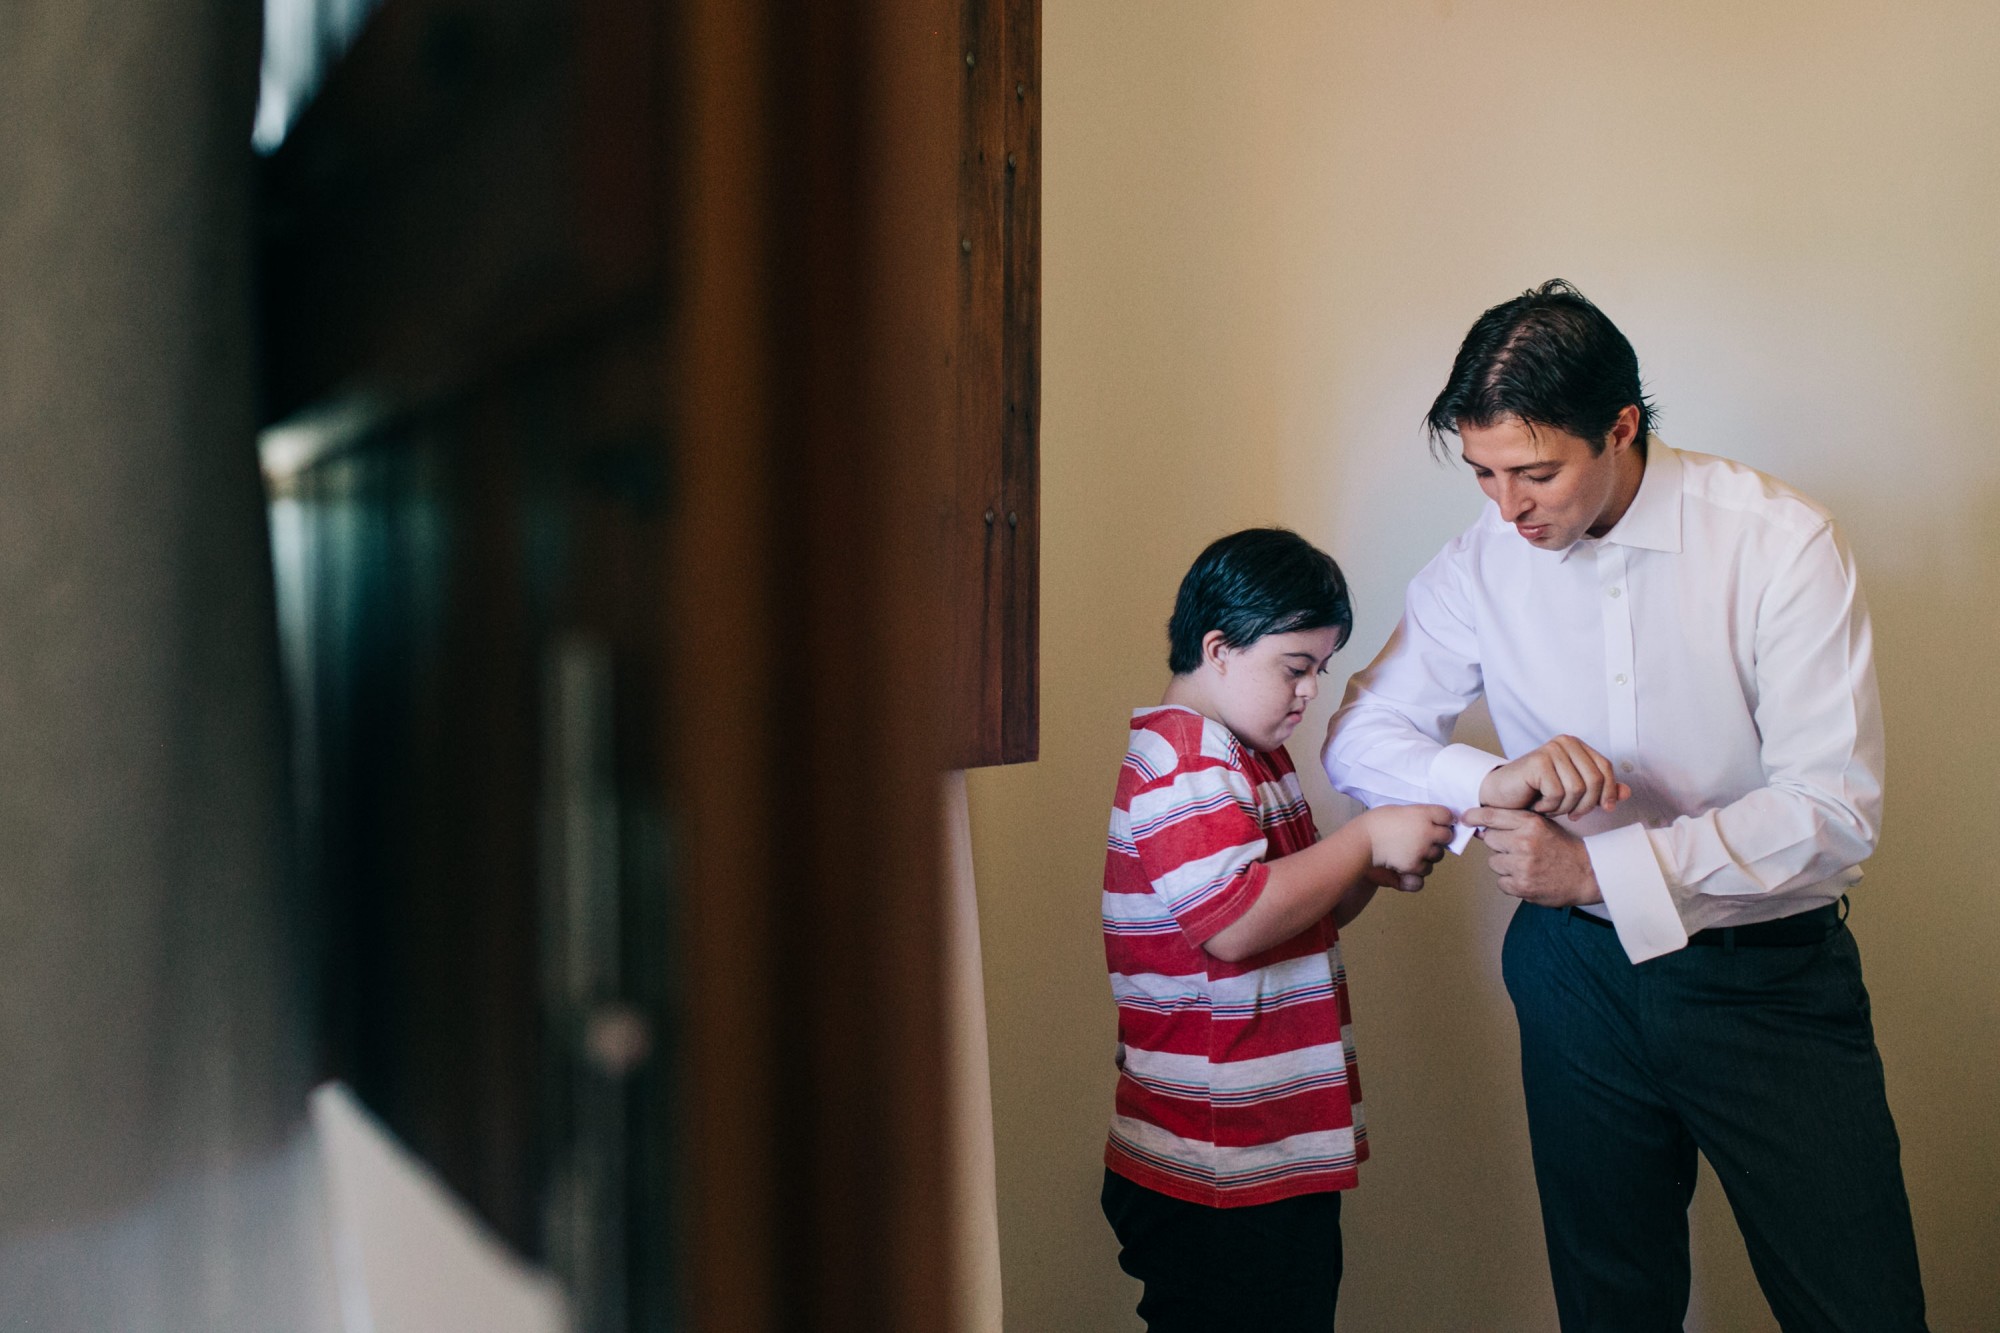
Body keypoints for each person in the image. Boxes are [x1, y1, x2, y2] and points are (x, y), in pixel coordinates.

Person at [1321, 280, 1927, 1331]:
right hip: (1574, 979)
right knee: (1610, 1309)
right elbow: (1358, 736)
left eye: (1534, 472)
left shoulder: (1778, 541)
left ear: (1619, 428)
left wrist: (1597, 869)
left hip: (1765, 981)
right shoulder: (1479, 563)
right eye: (1482, 475)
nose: (1507, 508)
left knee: (1856, 1306)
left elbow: (1830, 808)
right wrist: (1486, 782)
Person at [1099, 527, 1455, 1332]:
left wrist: (1364, 873)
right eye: (1296, 667)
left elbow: (1293, 919)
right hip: (1216, 1164)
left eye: (1321, 671)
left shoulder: (1247, 756)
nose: (1309, 693)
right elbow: (1233, 921)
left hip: (1264, 1156)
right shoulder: (1188, 760)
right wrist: (1362, 839)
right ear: (1219, 648)